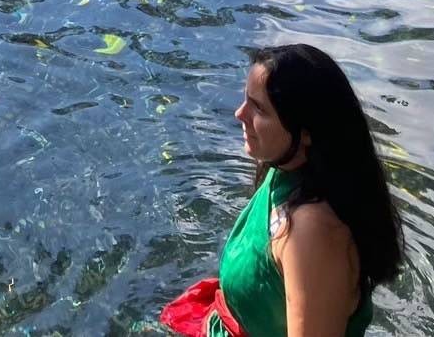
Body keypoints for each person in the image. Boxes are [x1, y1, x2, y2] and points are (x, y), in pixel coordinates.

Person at [161, 43, 404, 337]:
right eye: (246, 100)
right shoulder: (285, 170)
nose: (239, 114)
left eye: (258, 108)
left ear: (306, 133)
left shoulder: (312, 232)